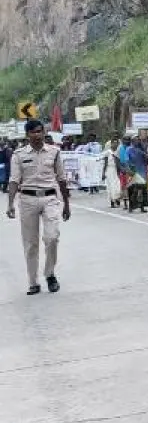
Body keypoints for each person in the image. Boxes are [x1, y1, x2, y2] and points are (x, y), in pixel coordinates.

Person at [6, 120, 71, 296]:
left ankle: (50, 274)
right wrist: (10, 203)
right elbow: (14, 180)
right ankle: (33, 282)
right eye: (33, 132)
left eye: (39, 131)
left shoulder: (54, 152)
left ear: (44, 133)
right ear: (27, 134)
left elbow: (61, 178)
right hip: (27, 199)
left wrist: (66, 205)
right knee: (30, 243)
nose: (37, 135)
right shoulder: (18, 155)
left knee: (52, 237)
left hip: (50, 198)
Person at [125, 137, 148, 213]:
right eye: (136, 140)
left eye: (138, 140)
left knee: (141, 189)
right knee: (132, 189)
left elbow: (147, 159)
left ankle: (142, 206)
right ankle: (131, 207)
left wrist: (147, 155)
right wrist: (129, 170)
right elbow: (126, 160)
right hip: (133, 172)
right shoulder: (129, 149)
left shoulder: (141, 149)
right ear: (132, 141)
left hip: (141, 171)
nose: (138, 142)